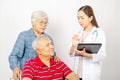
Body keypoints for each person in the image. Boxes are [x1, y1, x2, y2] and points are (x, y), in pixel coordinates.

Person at [9, 10, 58, 80]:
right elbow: (13, 56)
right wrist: (15, 68)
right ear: (33, 23)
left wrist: (55, 57)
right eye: (41, 23)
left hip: (44, 75)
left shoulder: (48, 38)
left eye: (45, 23)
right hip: (27, 75)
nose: (44, 25)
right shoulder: (24, 36)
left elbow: (52, 56)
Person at [69, 5, 106, 80]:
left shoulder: (99, 33)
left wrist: (86, 54)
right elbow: (71, 54)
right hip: (77, 74)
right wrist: (73, 45)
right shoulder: (78, 33)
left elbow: (102, 55)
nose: (79, 21)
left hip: (90, 74)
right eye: (78, 18)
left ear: (90, 18)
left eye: (82, 18)